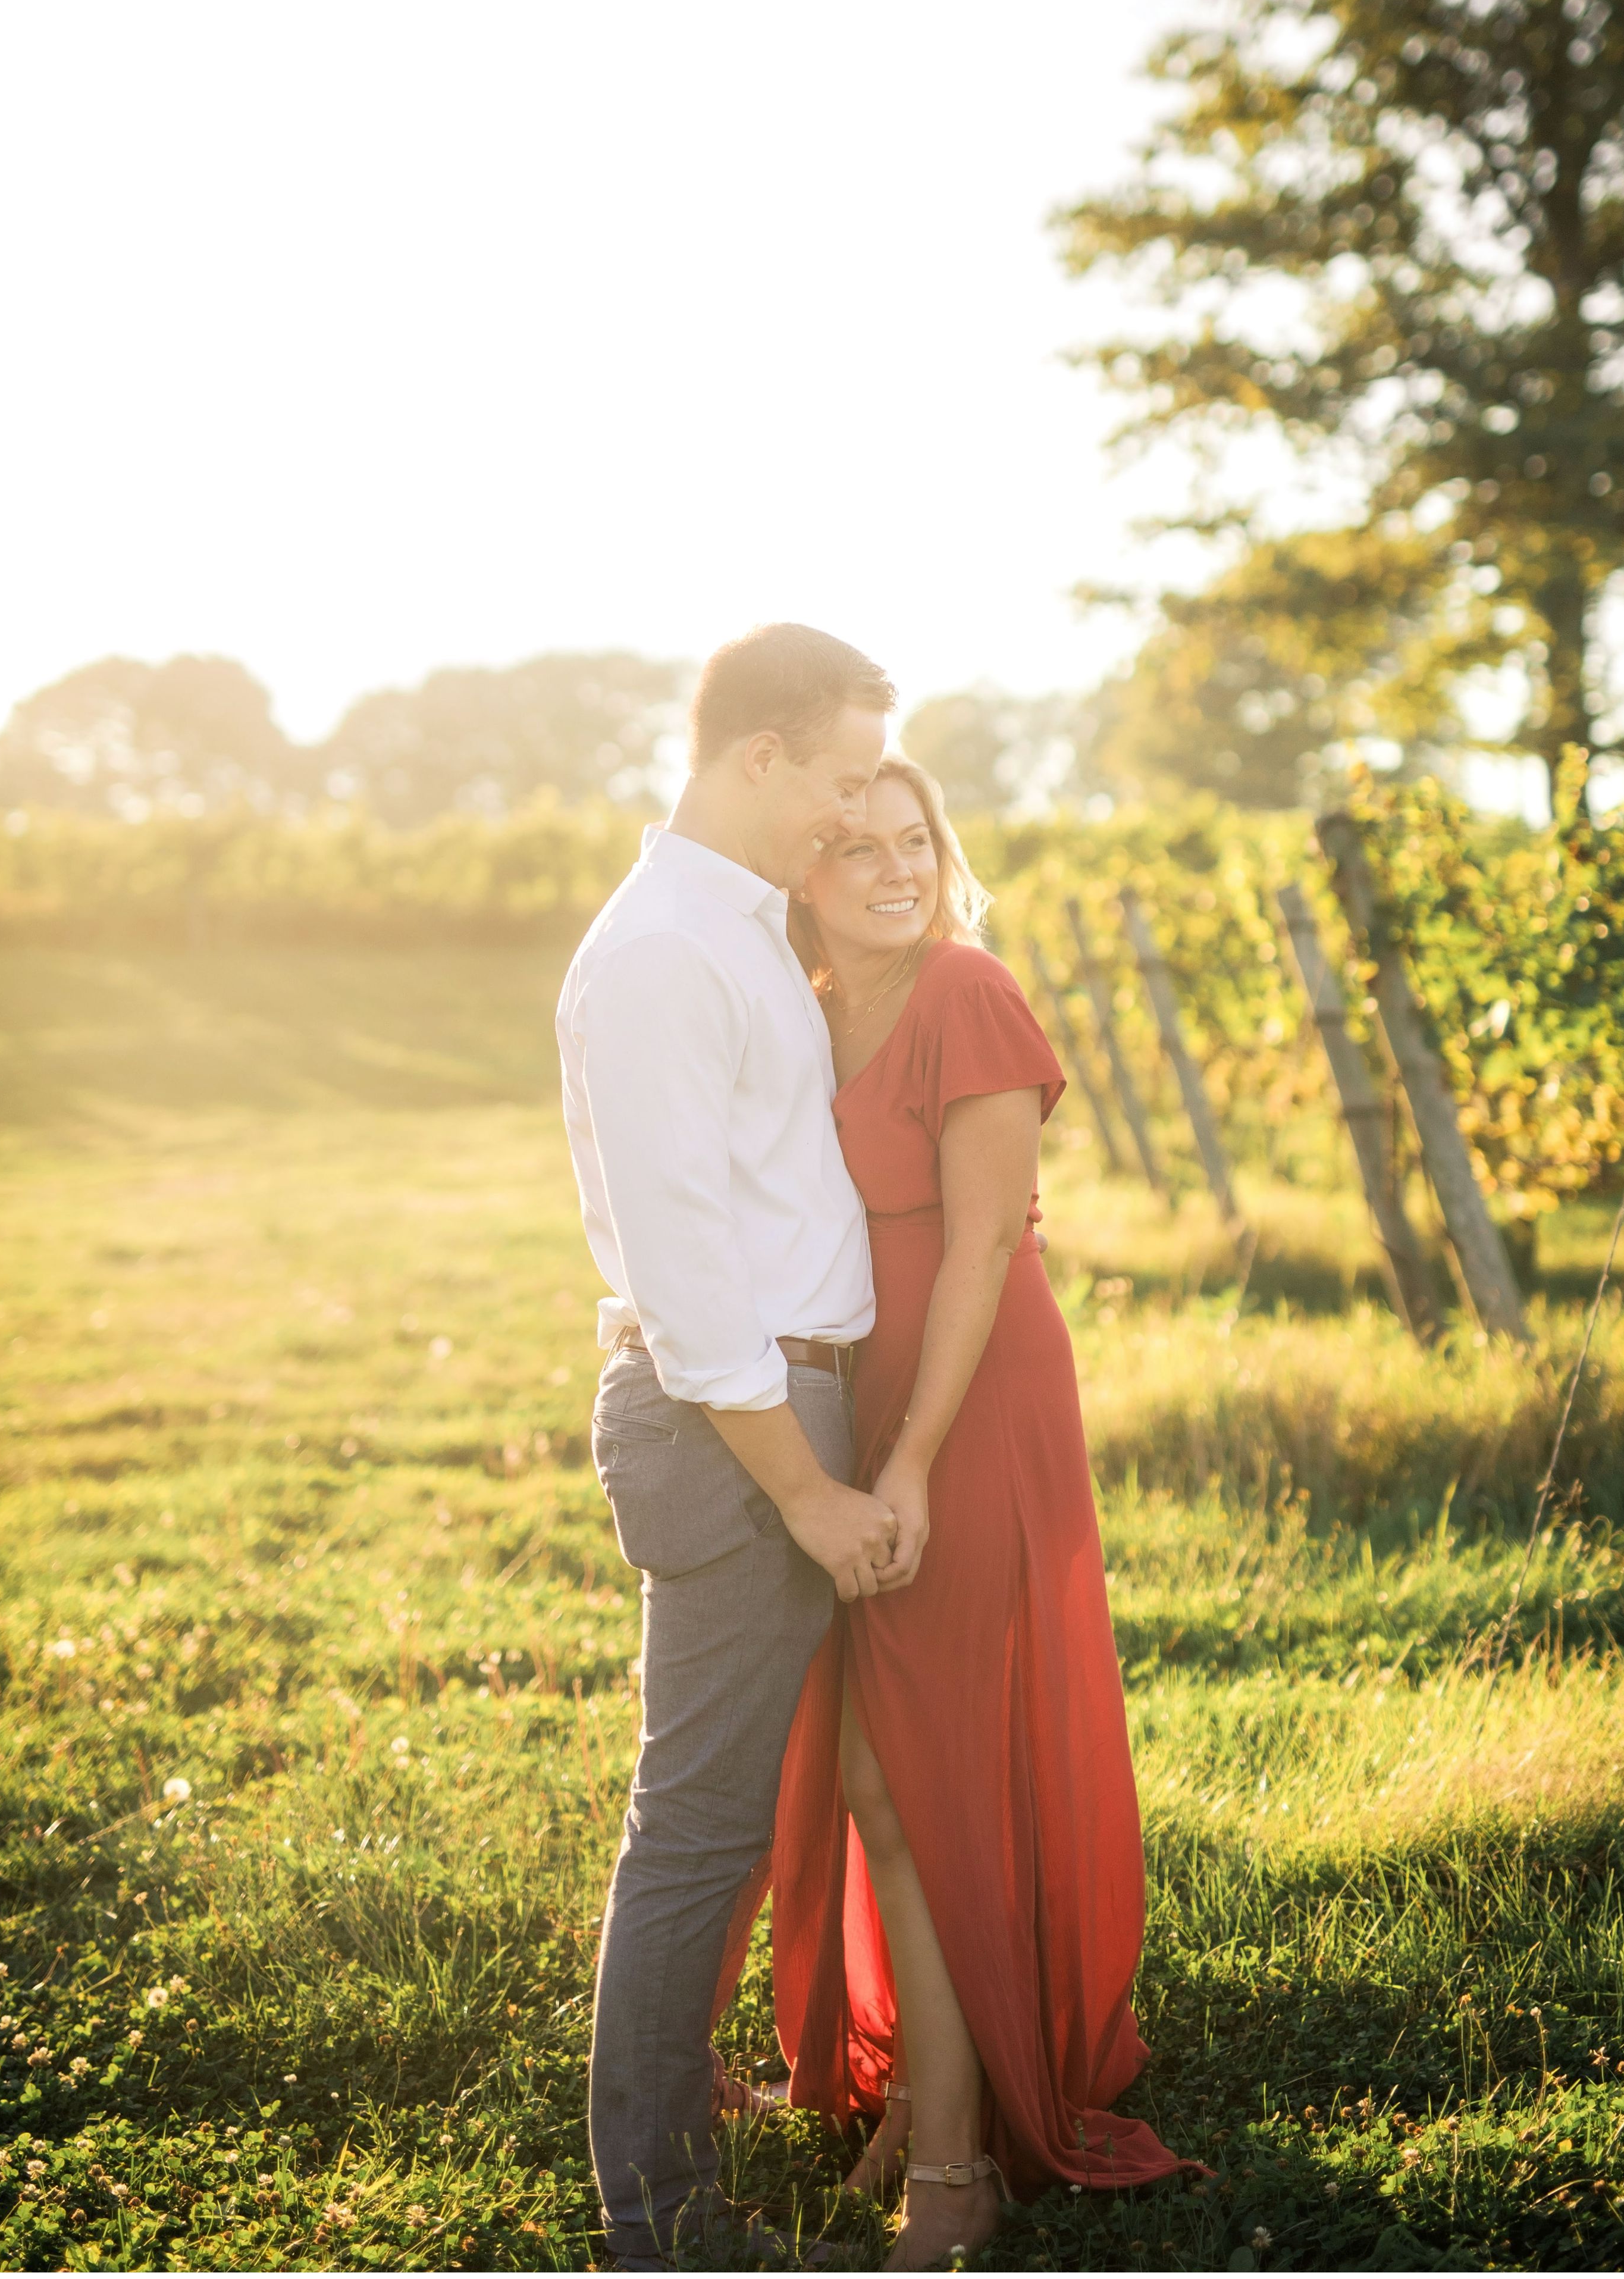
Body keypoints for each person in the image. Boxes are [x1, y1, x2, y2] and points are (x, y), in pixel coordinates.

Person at [771, 756, 1193, 2271]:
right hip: (853, 1408)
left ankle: (953, 2166)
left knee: (918, 1768)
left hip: (967, 1407)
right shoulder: (803, 1005)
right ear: (803, 874)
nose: (897, 866)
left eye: (917, 839)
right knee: (879, 1776)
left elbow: (978, 1253)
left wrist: (912, 1461)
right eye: (859, 847)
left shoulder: (967, 989)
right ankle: (932, 2100)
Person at [557, 623, 907, 2273]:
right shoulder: (657, 958)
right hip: (736, 1425)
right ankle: (663, 2224)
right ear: (755, 753)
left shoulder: (741, 930)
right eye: (837, 781)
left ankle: (676, 2136)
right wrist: (808, 1488)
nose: (850, 818)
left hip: (786, 1400)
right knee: (695, 1821)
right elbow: (695, 1278)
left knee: (725, 1812)